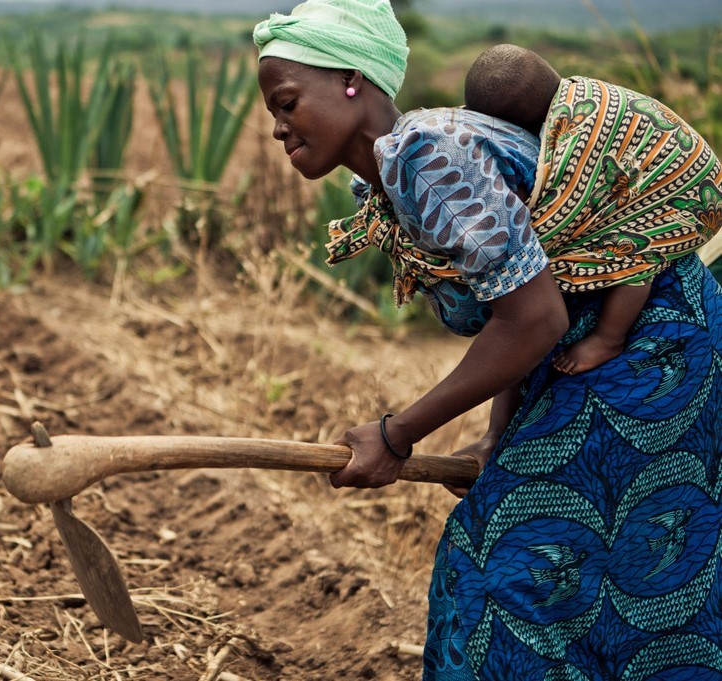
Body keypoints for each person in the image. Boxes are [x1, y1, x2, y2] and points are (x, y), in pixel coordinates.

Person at [253, 1, 722, 679]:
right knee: (583, 574)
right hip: (592, 350)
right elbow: (529, 299)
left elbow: (535, 320)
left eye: (287, 101)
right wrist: (498, 433)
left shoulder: (430, 156)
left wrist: (396, 433)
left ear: (352, 80)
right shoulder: (390, 178)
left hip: (651, 344)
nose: (276, 126)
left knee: (506, 567)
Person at [465, 43, 657, 374]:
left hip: (682, 195)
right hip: (655, 169)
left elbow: (560, 213)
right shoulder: (578, 92)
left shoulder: (572, 142)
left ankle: (609, 338)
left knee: (632, 248)